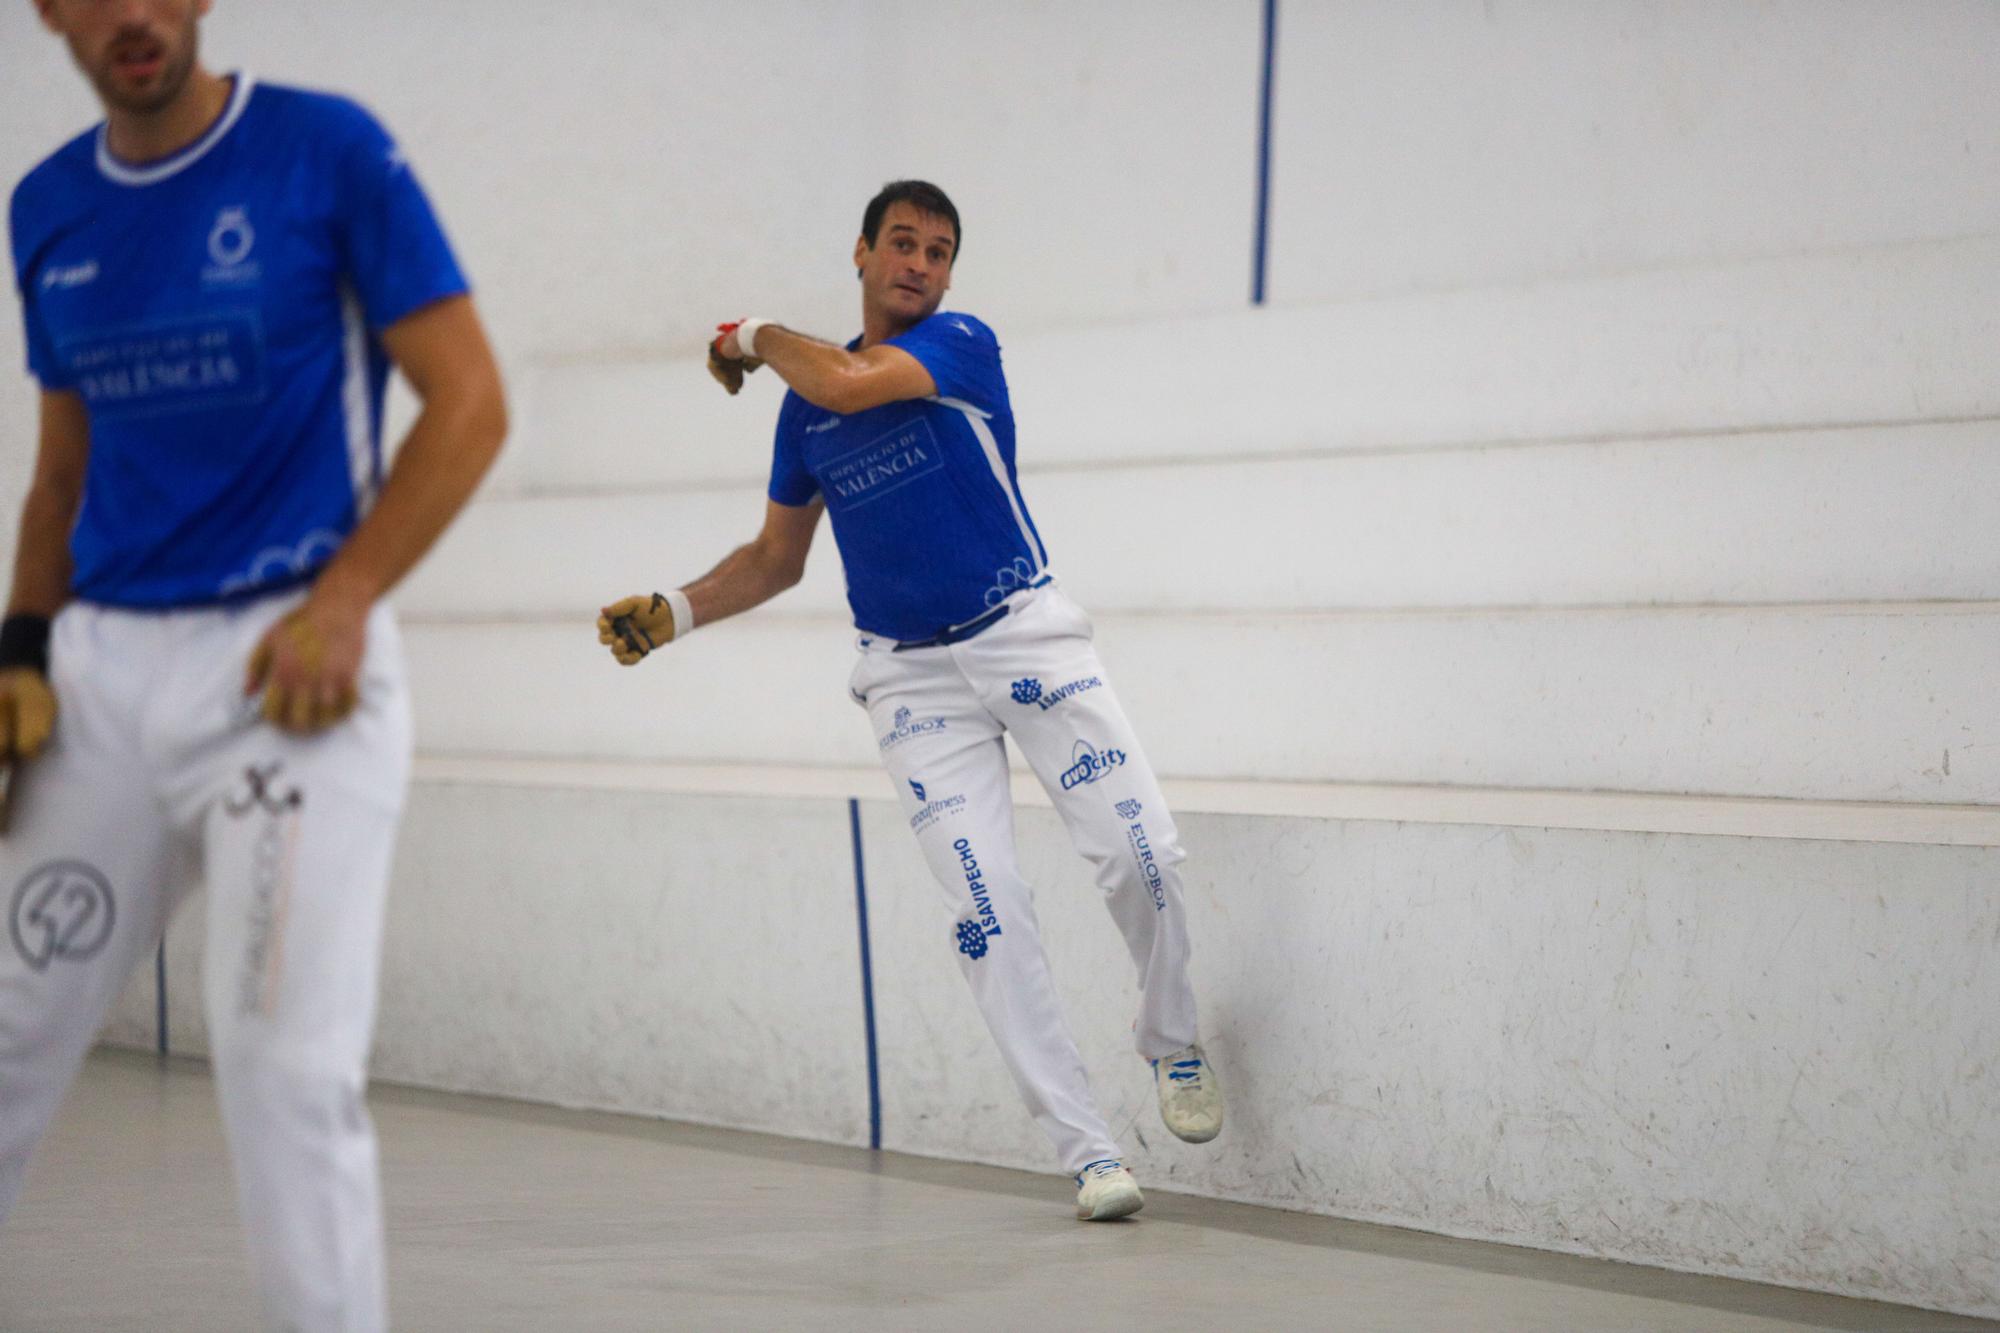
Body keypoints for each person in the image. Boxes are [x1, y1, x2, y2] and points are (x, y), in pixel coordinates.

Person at [0, 2, 505, 1326]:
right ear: (49, 13)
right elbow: (60, 472)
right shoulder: (45, 208)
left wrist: (347, 597)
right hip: (101, 679)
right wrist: (21, 650)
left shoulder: (326, 150)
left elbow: (470, 399)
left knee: (285, 1069)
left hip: (289, 679)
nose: (129, 16)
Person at [597, 180, 1221, 1222]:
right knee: (988, 912)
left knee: (1141, 853)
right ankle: (1086, 1151)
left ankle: (1173, 1040)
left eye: (936, 251)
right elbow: (773, 558)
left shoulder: (959, 344)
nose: (918, 265)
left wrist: (748, 334)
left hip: (1023, 632)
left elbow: (848, 381)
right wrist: (675, 609)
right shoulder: (804, 412)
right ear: (859, 253)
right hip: (910, 678)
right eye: (900, 244)